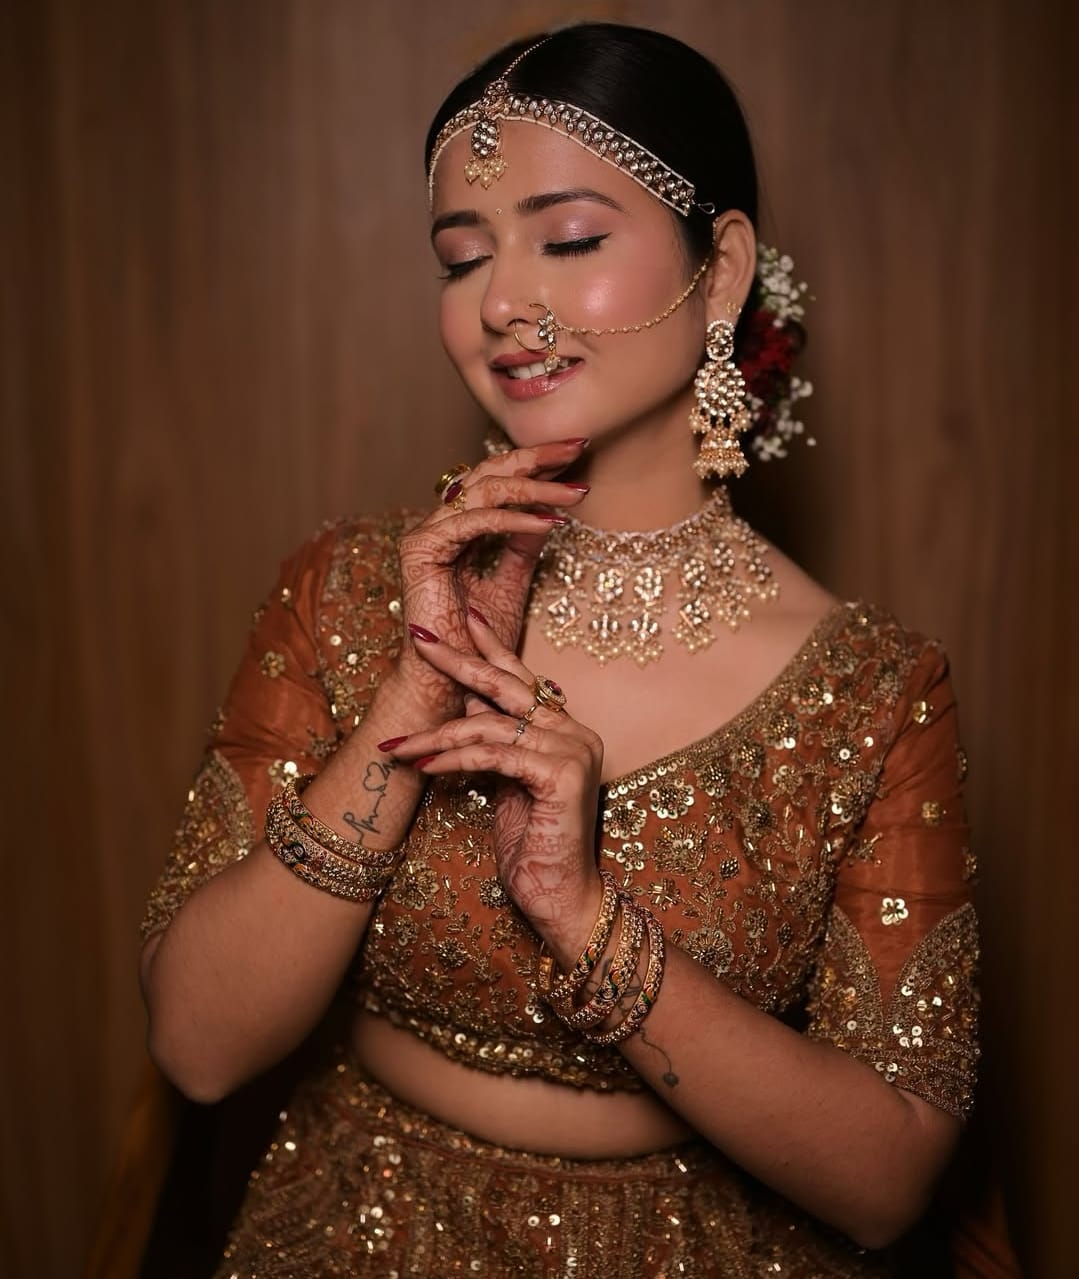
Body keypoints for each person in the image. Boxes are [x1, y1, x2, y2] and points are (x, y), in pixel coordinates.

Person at [139, 22, 979, 1277]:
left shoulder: (870, 690)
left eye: (570, 239)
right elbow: (198, 1045)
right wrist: (412, 697)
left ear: (721, 268)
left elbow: (885, 1182)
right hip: (355, 1228)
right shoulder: (353, 588)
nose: (499, 303)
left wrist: (584, 919)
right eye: (461, 256)